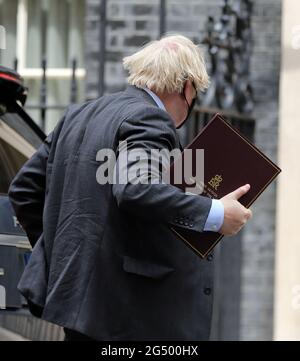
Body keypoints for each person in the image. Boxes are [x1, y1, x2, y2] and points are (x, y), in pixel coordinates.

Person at [8, 35, 252, 341]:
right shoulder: (150, 118)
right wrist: (217, 212)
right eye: (196, 95)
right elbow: (136, 187)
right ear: (186, 86)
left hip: (78, 310)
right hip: (128, 316)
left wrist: (63, 254)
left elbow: (24, 189)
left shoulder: (77, 115)